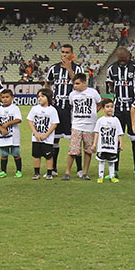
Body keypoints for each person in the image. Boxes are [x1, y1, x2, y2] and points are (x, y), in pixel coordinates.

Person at [105, 48, 135, 179]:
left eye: (124, 59)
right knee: (115, 140)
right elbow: (110, 84)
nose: (122, 62)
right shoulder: (112, 68)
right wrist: (117, 93)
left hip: (132, 109)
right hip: (118, 110)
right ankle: (114, 170)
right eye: (120, 60)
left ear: (129, 56)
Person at [44, 44, 82, 176]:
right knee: (55, 138)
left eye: (67, 53)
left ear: (72, 55)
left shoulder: (77, 68)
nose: (64, 55)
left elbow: (78, 83)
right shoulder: (53, 68)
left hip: (71, 108)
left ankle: (79, 169)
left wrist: (70, 69)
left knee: (75, 138)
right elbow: (47, 83)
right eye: (63, 52)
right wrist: (49, 97)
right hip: (57, 107)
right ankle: (53, 168)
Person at [64, 73, 102, 181]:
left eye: (77, 83)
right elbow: (72, 106)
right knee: (73, 150)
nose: (75, 86)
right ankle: (67, 172)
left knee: (88, 150)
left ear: (84, 83)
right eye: (74, 84)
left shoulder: (93, 93)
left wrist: (93, 114)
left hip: (89, 126)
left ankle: (85, 172)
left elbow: (99, 104)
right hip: (76, 125)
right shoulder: (72, 95)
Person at [27, 88, 59, 180]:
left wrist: (47, 134)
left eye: (42, 96)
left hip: (47, 138)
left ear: (48, 98)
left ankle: (49, 172)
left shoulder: (52, 110)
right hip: (36, 138)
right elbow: (30, 121)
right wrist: (35, 133)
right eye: (38, 96)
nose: (40, 98)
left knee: (48, 156)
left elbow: (54, 123)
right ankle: (36, 173)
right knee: (36, 155)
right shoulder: (35, 109)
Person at [0, 89, 23, 179]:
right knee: (4, 154)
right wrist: (1, 128)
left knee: (16, 153)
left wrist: (8, 123)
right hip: (2, 136)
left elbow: (19, 119)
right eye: (3, 97)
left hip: (14, 136)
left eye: (7, 97)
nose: (5, 99)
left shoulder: (15, 108)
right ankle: (3, 171)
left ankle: (18, 171)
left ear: (12, 98)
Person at [93, 98, 124, 184]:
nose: (110, 109)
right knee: (101, 161)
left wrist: (120, 143)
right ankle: (100, 176)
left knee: (111, 162)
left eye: (111, 107)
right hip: (102, 146)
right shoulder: (100, 120)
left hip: (112, 146)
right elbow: (97, 133)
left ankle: (112, 176)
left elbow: (119, 133)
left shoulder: (116, 120)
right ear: (103, 109)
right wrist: (94, 144)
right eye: (107, 107)